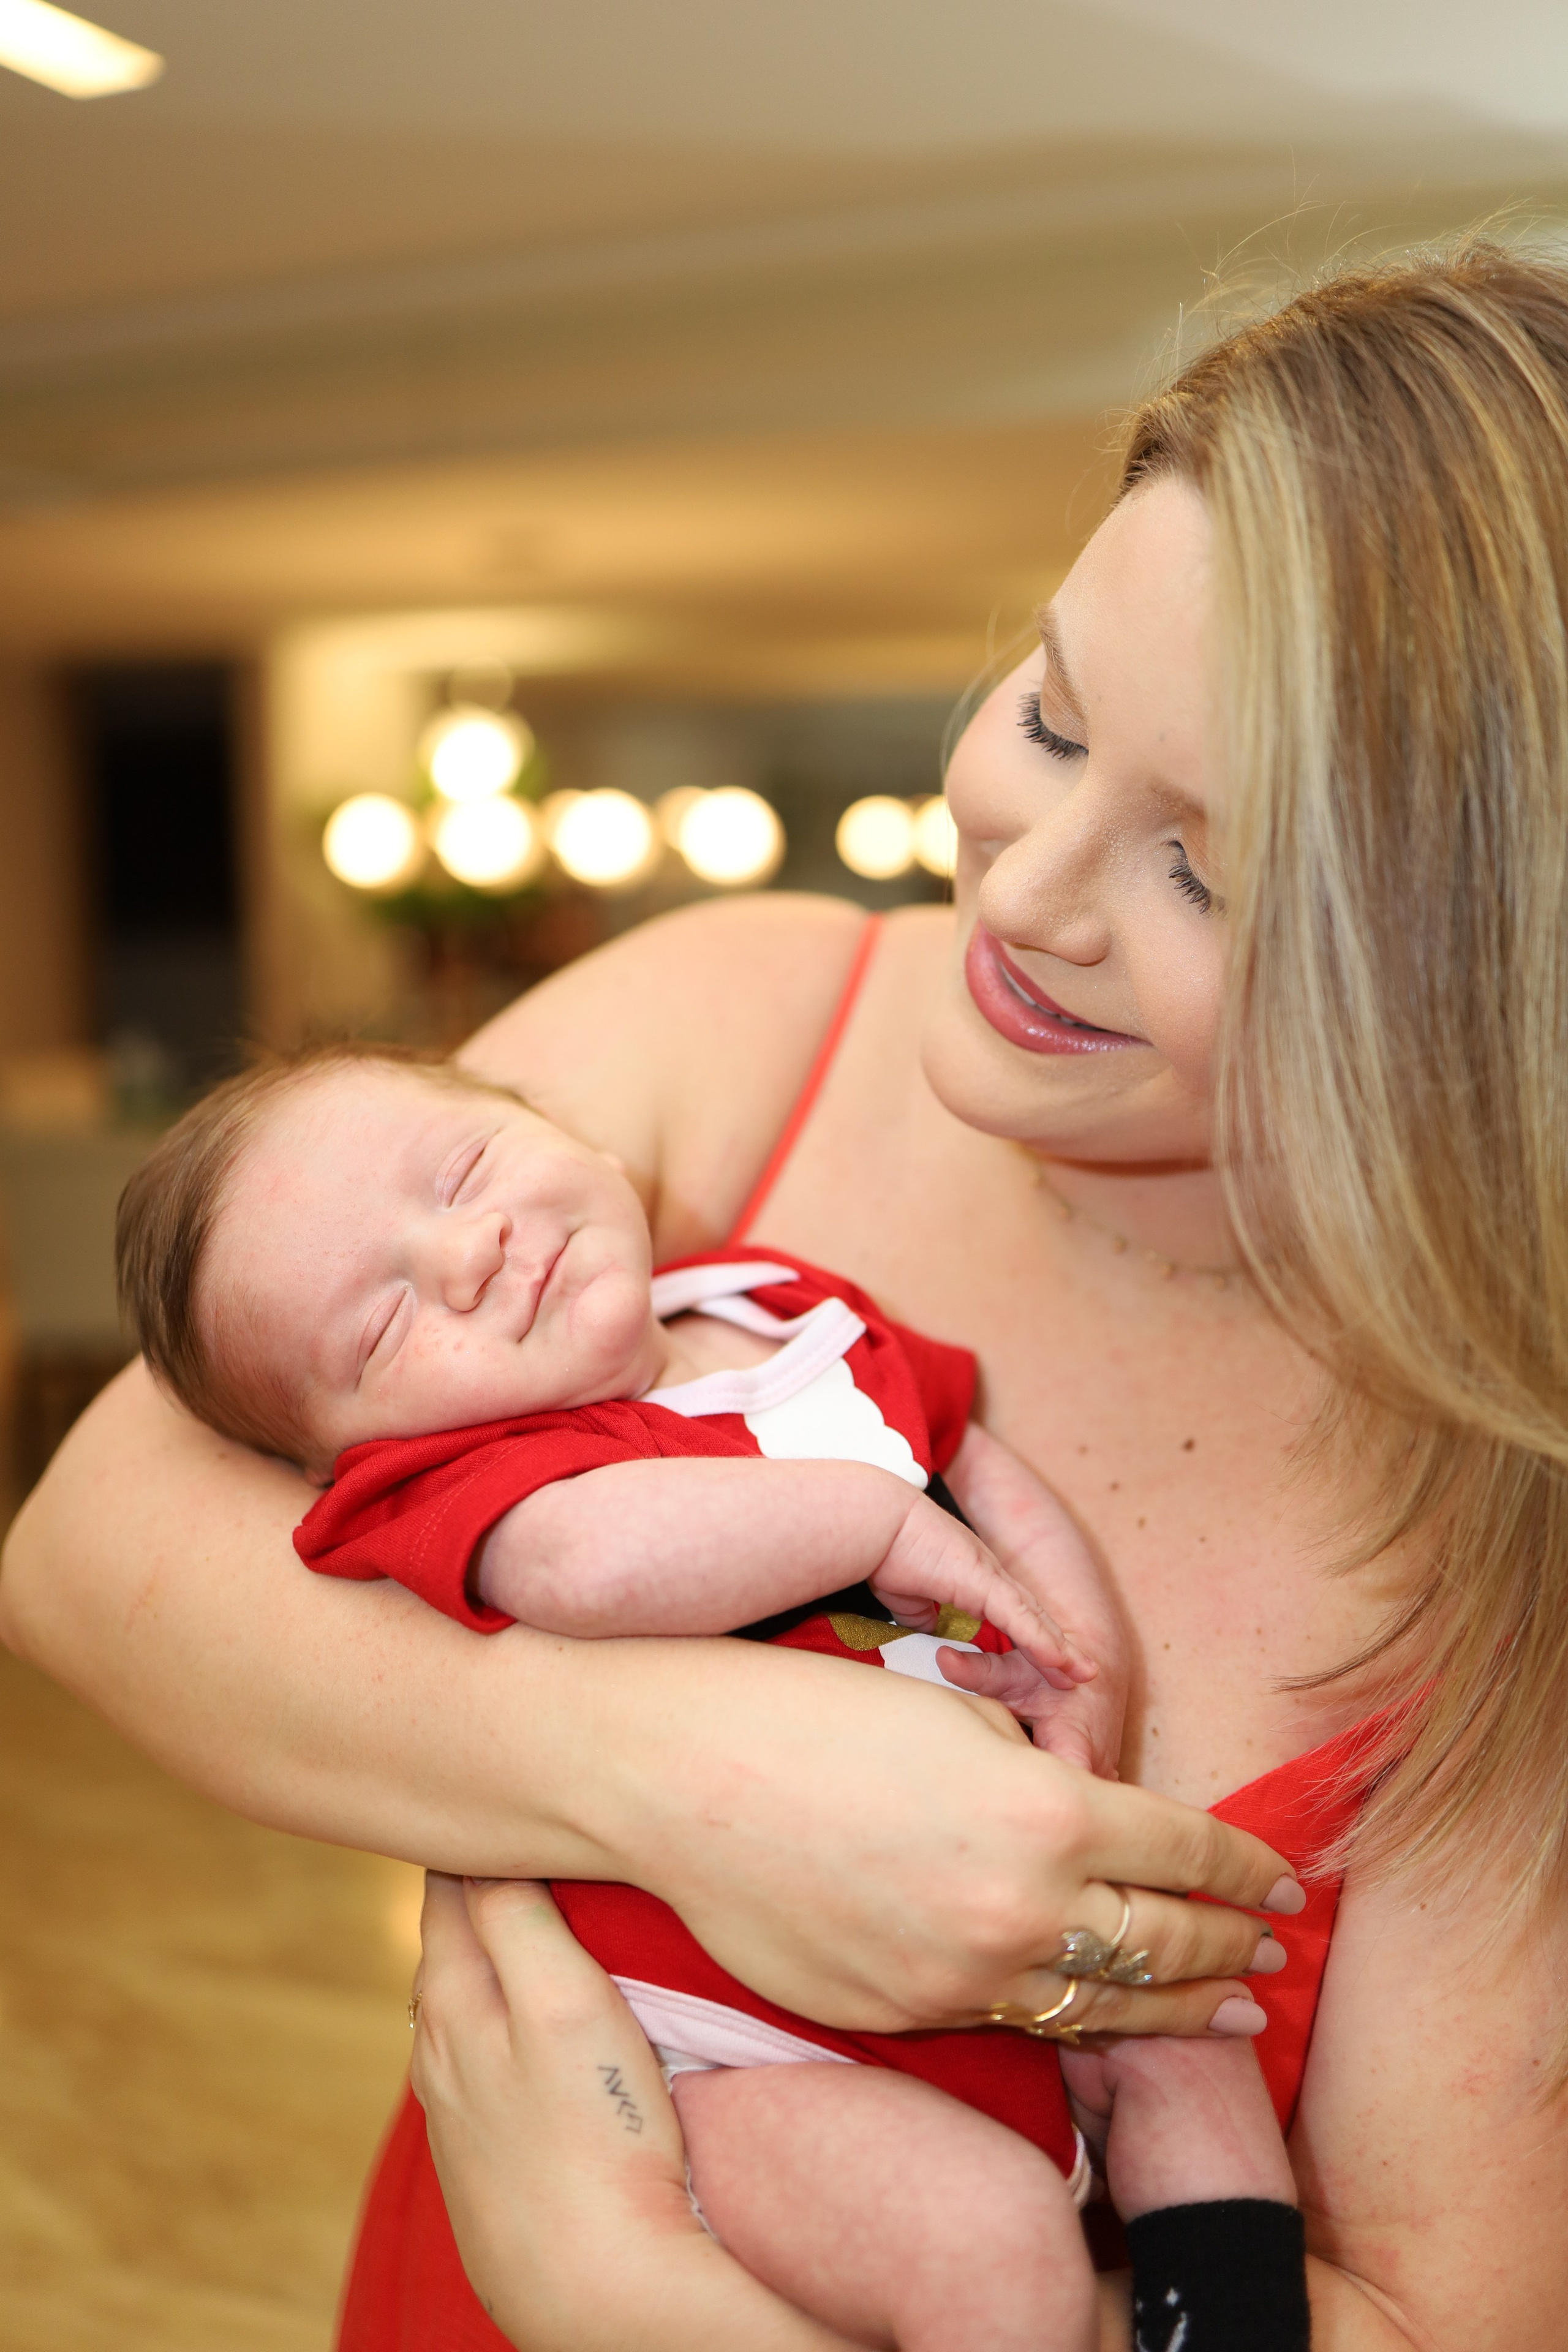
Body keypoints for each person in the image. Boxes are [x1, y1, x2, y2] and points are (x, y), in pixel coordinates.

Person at [6, 239, 1567, 2347]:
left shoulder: (1521, 1507)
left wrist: (634, 2299)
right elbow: (100, 1541)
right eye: (1051, 708)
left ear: (1478, 985)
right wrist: (696, 1781)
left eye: (1204, 864)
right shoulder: (756, 1016)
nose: (1012, 884)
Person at [110, 1046, 1302, 2350]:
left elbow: (974, 1465)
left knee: (1197, 2040)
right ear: (347, 1453)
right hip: (744, 2055)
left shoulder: (791, 1314)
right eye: (384, 1325)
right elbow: (592, 1565)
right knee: (987, 2241)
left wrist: (1080, 1665)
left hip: (1008, 1937)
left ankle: (1231, 2319)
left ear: (585, 1143)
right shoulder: (485, 1480)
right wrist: (871, 1524)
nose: (462, 1257)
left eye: (462, 1172)